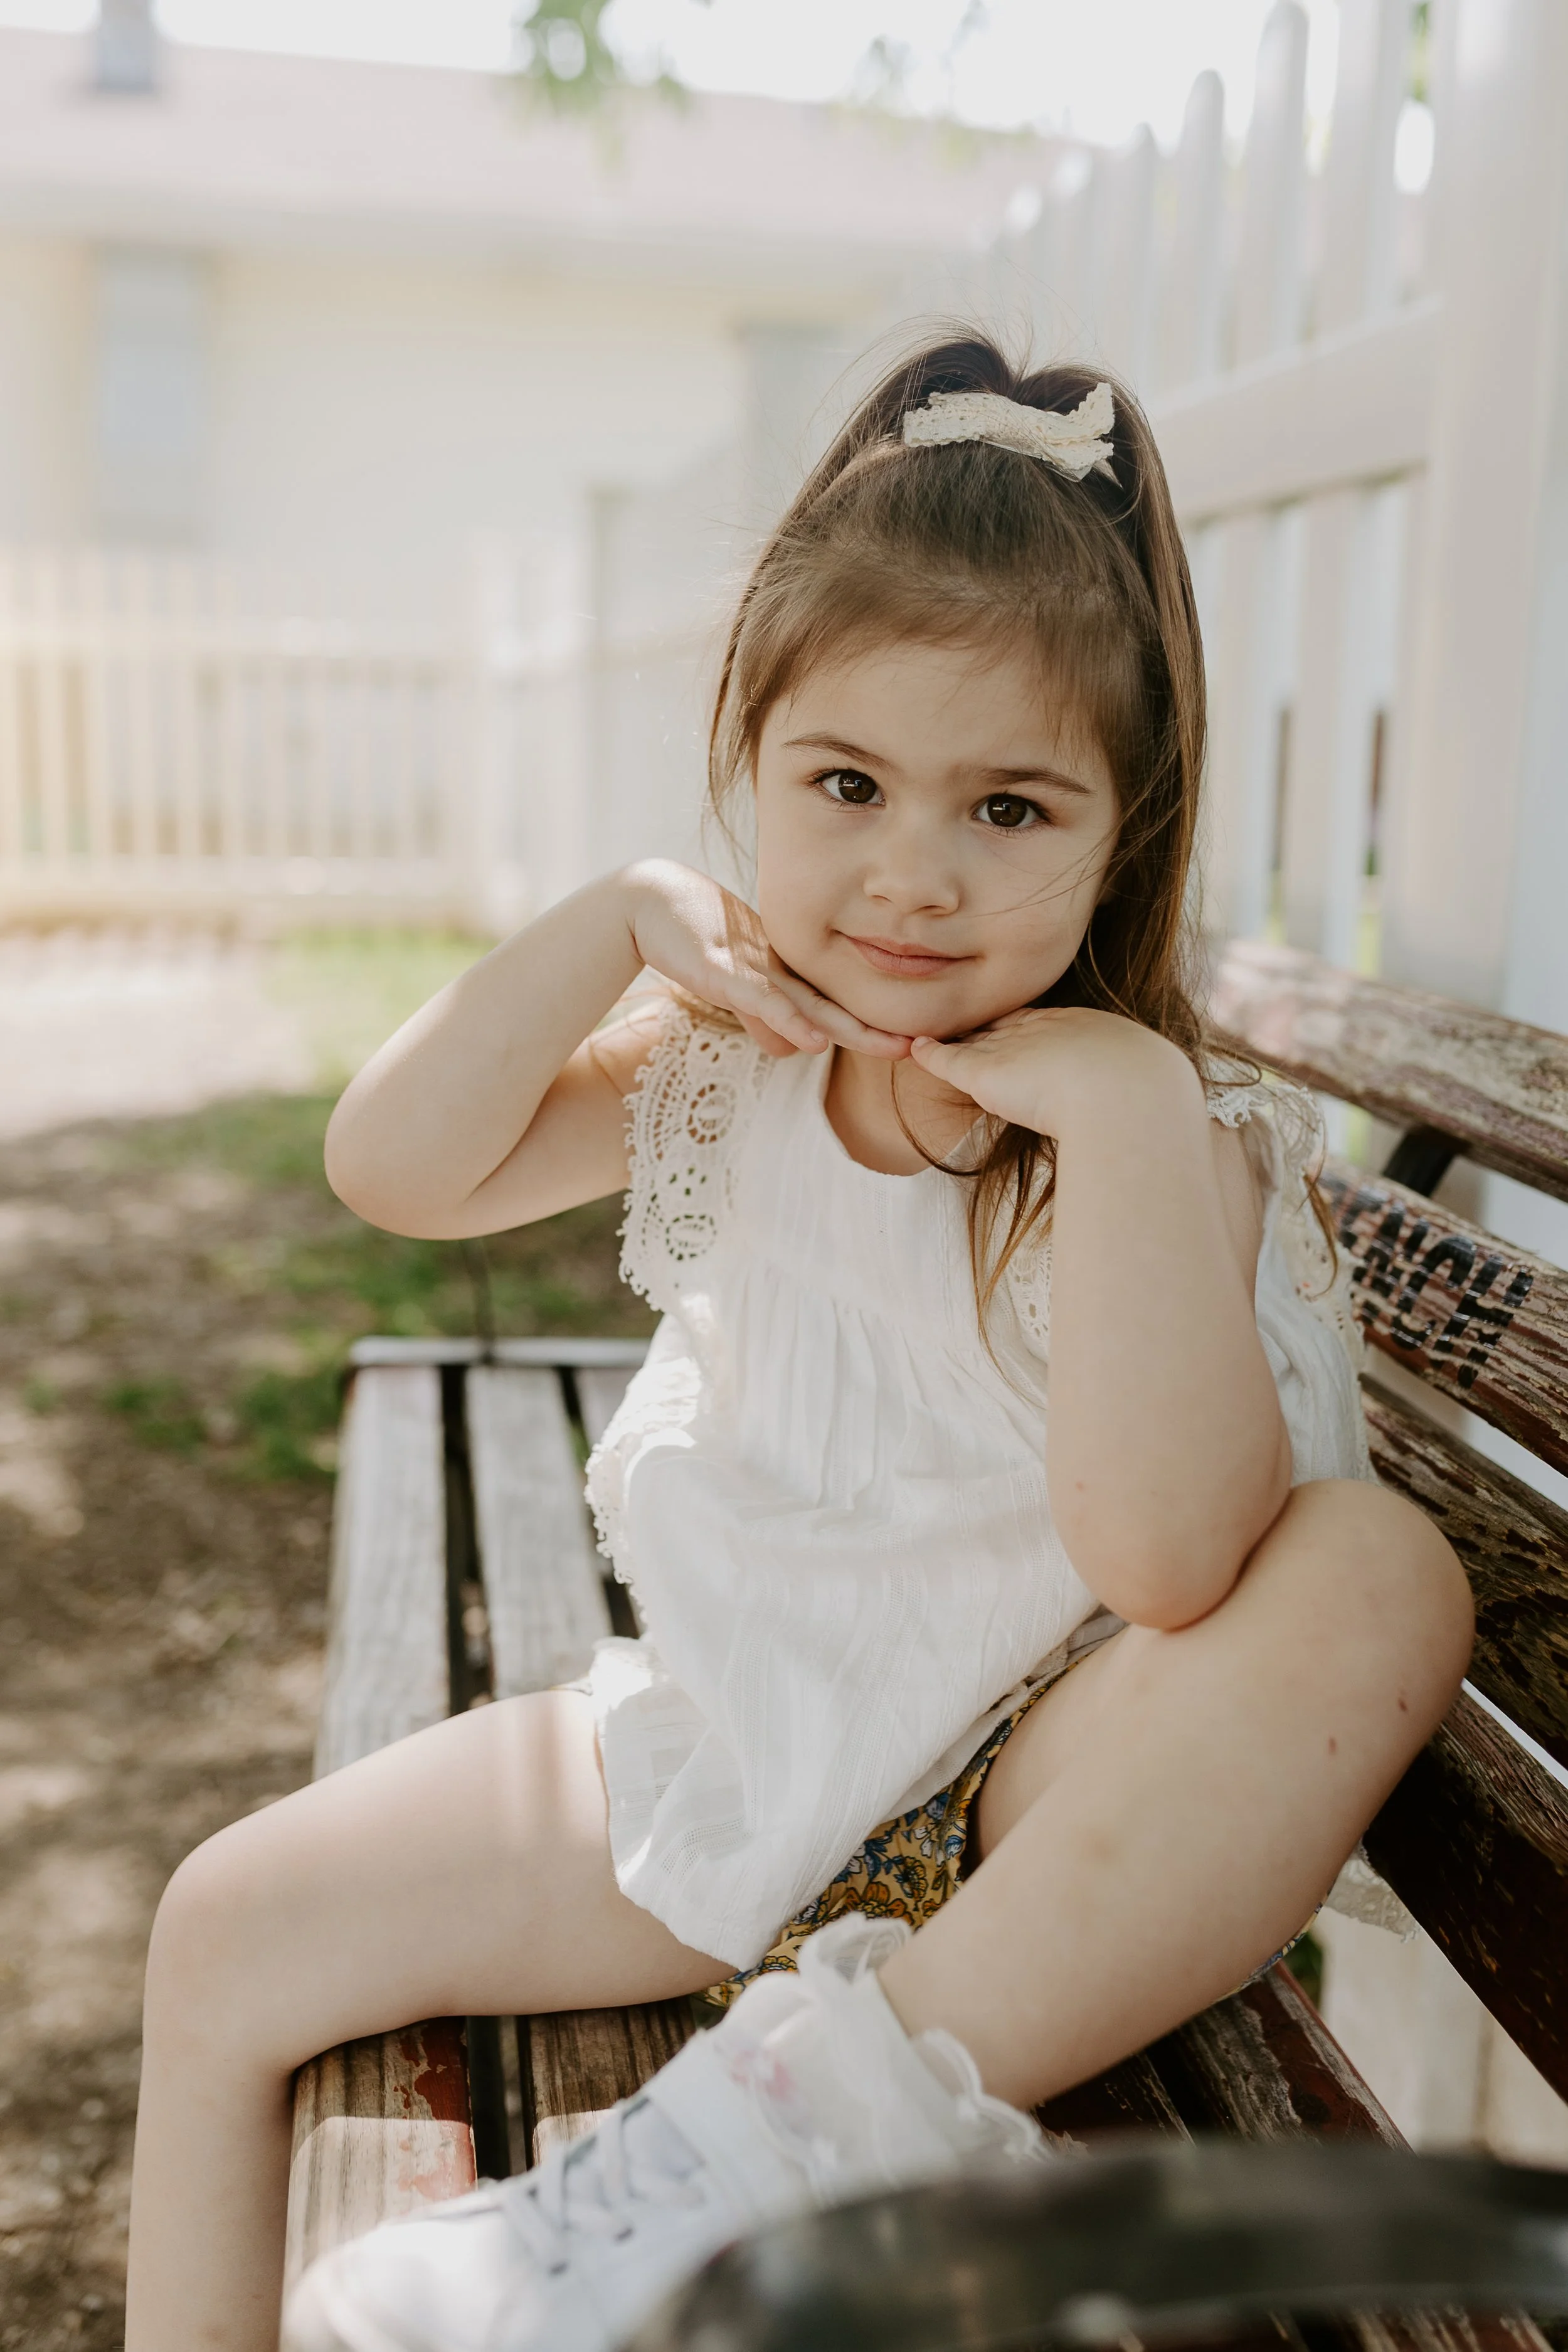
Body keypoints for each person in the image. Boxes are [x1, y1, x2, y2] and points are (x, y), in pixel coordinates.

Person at [124, 339, 1473, 2352]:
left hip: (1033, 1823)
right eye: (844, 785)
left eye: (1007, 805)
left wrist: (1117, 1117)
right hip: (742, 1756)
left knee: (1372, 1575)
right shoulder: (733, 1060)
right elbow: (392, 1165)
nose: (912, 871)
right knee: (224, 1923)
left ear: (1121, 829)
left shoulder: (1145, 1138)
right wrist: (617, 919)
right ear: (747, 766)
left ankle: (768, 2145)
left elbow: (1172, 1561)